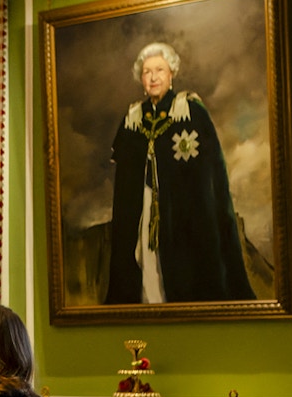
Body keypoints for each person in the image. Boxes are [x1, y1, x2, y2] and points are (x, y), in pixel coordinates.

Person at [104, 42, 255, 304]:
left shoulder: (190, 111)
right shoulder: (133, 119)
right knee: (146, 262)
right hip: (145, 210)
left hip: (184, 215)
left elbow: (210, 174)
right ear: (141, 78)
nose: (153, 77)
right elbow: (126, 180)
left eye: (159, 70)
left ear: (171, 73)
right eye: (147, 72)